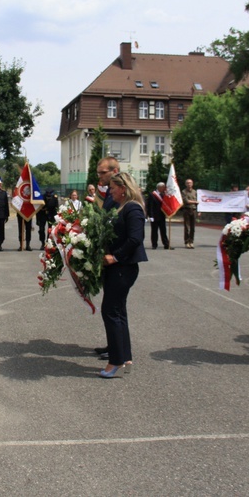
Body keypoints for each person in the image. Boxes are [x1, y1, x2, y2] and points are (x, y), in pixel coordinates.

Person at [99, 172, 148, 378]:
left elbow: (136, 239)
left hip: (124, 267)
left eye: (112, 188)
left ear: (123, 188)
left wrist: (115, 257)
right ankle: (125, 356)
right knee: (118, 311)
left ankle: (116, 361)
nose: (110, 191)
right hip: (117, 267)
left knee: (110, 310)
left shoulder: (133, 208)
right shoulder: (120, 208)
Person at [93, 157, 121, 360]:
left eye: (103, 172)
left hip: (117, 260)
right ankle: (113, 345)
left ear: (115, 171)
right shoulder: (110, 194)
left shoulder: (122, 196)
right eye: (98, 173)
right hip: (108, 256)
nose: (99, 176)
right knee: (112, 307)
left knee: (114, 309)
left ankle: (118, 351)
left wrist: (115, 256)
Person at [146, 182, 170, 250]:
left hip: (162, 216)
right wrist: (150, 216)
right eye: (163, 187)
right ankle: (154, 244)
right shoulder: (152, 194)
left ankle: (166, 244)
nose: (164, 189)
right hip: (154, 216)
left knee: (163, 230)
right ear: (160, 187)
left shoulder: (164, 195)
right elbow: (150, 206)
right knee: (154, 231)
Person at [182, 178, 198, 249]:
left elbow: (199, 201)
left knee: (193, 227)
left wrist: (199, 210)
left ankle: (191, 241)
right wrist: (195, 202)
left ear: (192, 184)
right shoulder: (184, 191)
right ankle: (187, 242)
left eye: (190, 183)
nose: (189, 184)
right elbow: (186, 201)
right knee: (187, 227)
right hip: (187, 210)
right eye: (187, 183)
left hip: (194, 210)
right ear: (186, 184)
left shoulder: (195, 192)